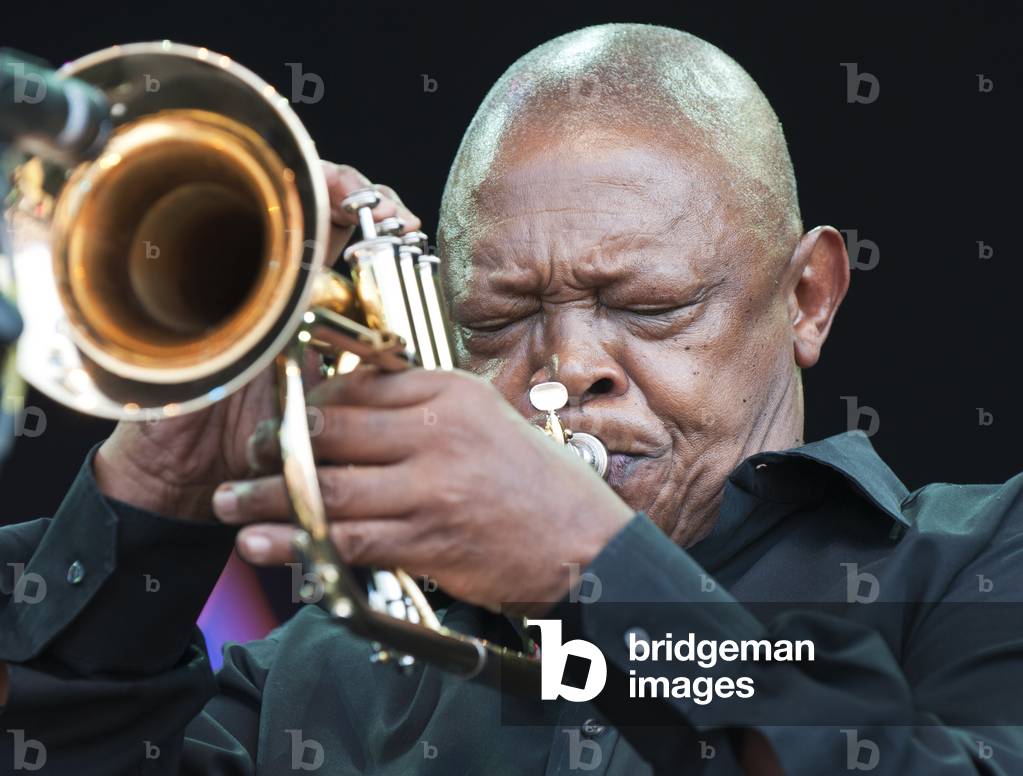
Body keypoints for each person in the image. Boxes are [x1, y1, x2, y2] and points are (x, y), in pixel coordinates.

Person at [1, 23, 1021, 775]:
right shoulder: (319, 672)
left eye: (650, 304)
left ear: (809, 296)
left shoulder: (975, 563)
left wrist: (595, 571)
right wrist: (161, 478)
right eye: (495, 318)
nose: (565, 366)